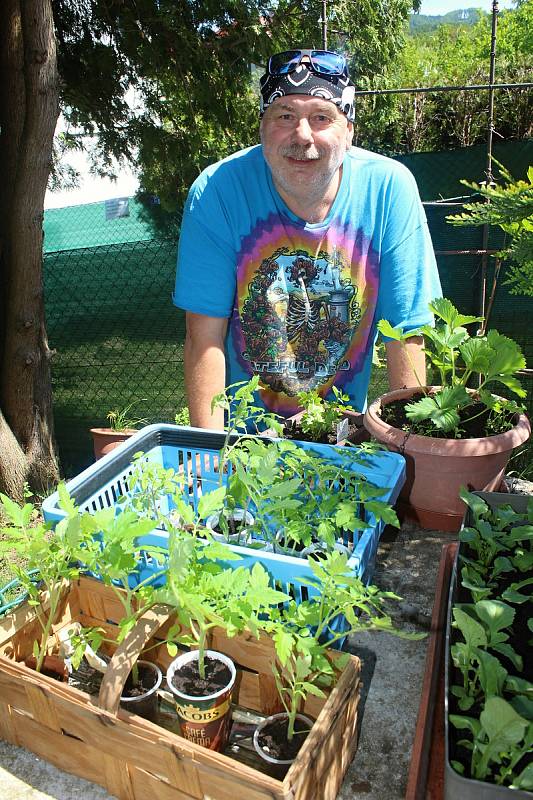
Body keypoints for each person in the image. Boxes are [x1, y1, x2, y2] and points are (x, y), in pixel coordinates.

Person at [173, 48, 442, 430]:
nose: (302, 135)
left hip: (341, 438)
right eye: (284, 116)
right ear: (262, 127)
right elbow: (204, 338)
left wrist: (411, 450)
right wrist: (210, 461)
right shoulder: (217, 192)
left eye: (321, 117)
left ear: (348, 131)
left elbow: (407, 333)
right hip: (244, 446)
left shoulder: (389, 189)